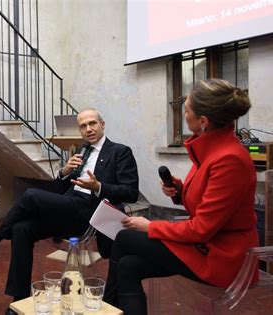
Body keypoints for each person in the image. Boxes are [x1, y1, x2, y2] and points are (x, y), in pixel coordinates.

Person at [103, 79, 259, 315]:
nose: (184, 115)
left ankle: (105, 307)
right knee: (128, 266)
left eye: (186, 110)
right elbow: (206, 207)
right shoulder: (213, 150)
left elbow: (201, 228)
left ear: (203, 122)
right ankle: (111, 307)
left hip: (222, 256)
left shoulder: (229, 159)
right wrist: (181, 191)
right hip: (204, 245)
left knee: (125, 238)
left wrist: (151, 226)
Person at [0, 108, 139, 314]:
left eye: (92, 123)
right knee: (21, 229)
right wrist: (64, 173)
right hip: (68, 208)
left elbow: (131, 192)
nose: (88, 129)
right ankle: (19, 299)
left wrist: (98, 186)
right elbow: (59, 190)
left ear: (103, 124)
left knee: (30, 195)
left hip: (89, 213)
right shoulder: (81, 151)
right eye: (83, 126)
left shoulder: (120, 151)